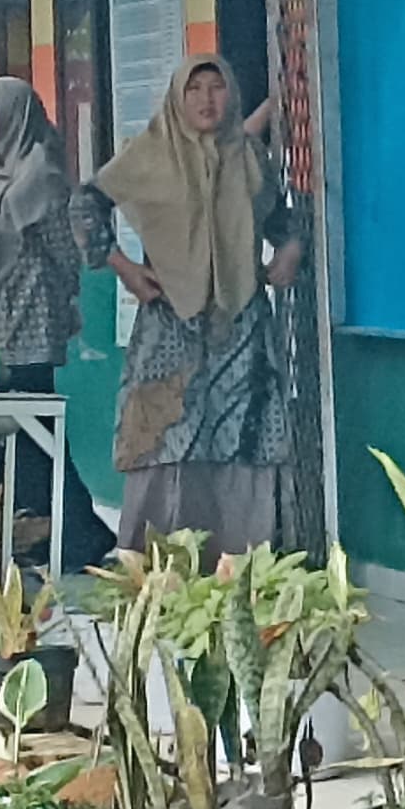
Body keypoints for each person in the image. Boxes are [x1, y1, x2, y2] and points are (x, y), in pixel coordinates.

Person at [80, 52, 302, 555]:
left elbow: (281, 218)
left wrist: (289, 249)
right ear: (178, 96)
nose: (206, 100)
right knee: (166, 441)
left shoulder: (248, 156)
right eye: (194, 89)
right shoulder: (151, 152)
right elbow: (86, 202)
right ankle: (161, 561)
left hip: (239, 324)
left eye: (217, 87)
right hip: (169, 327)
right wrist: (124, 267)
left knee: (243, 441)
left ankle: (242, 560)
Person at [0, 75, 82, 393]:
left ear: (13, 114)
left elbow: (63, 248)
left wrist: (67, 300)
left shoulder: (41, 174)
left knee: (33, 419)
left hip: (32, 319)